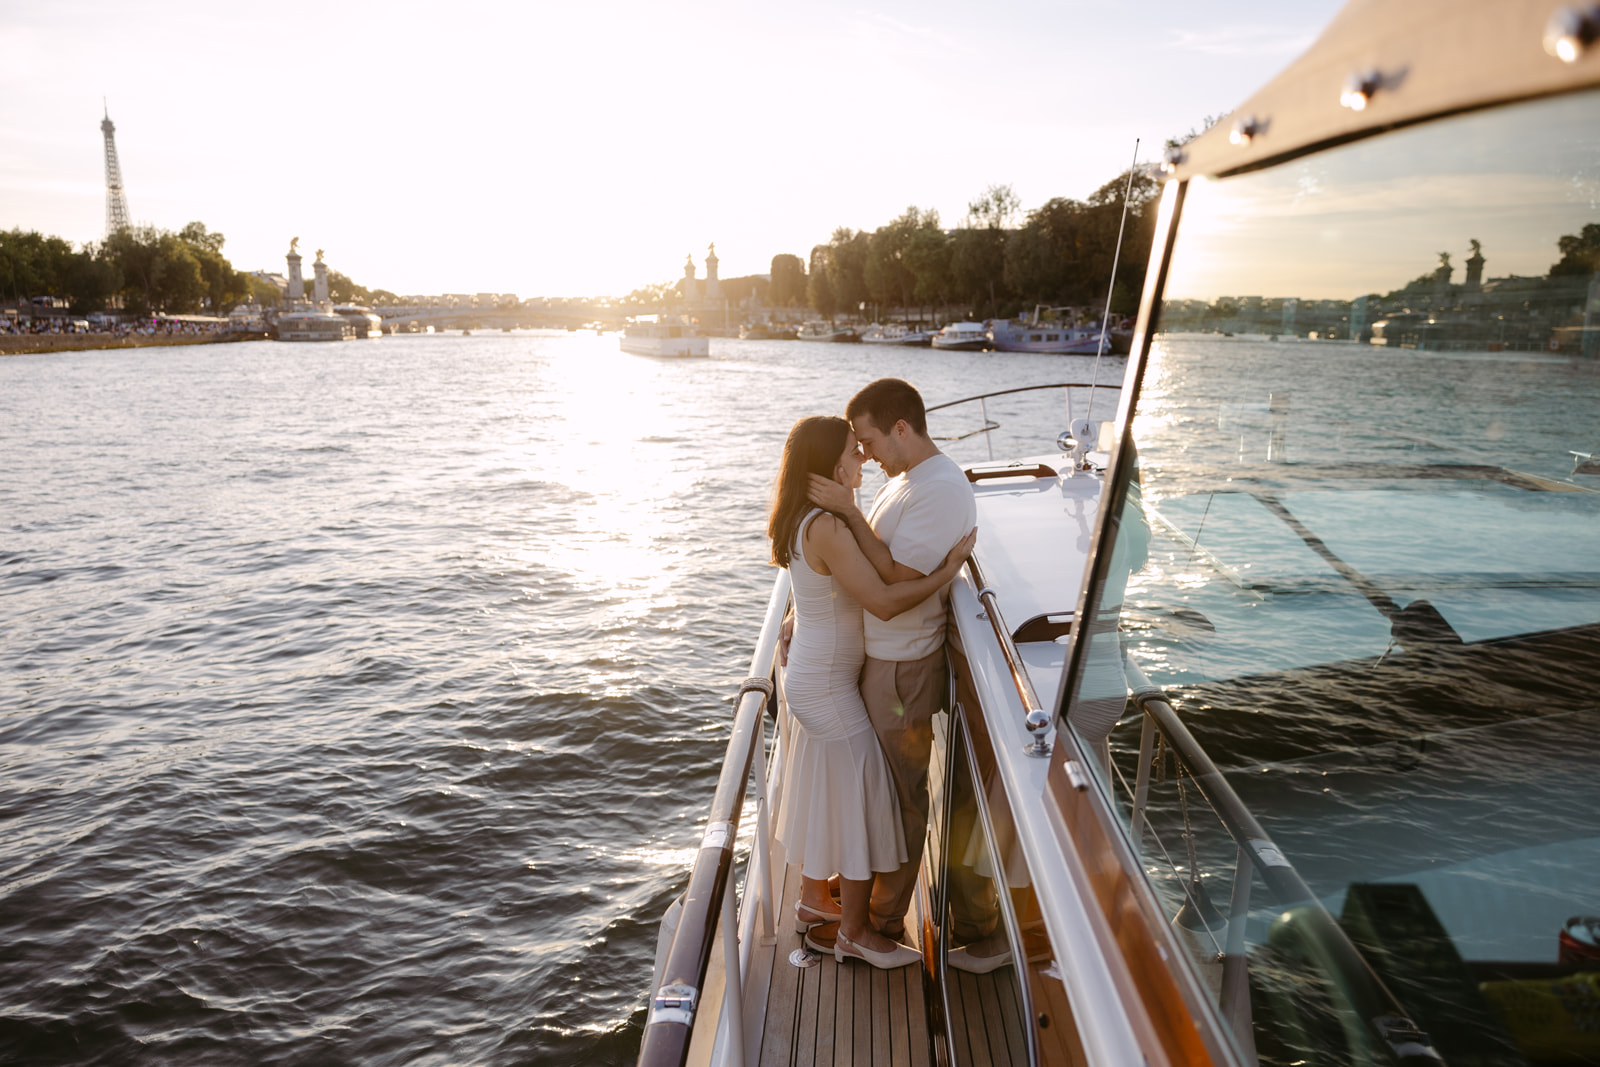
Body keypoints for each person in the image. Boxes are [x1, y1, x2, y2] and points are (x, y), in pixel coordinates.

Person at [770, 415, 975, 969]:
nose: (862, 458)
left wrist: (795, 615)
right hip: (826, 687)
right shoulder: (828, 527)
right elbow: (883, 602)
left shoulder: (811, 517)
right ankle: (855, 933)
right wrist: (948, 572)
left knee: (825, 784)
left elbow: (820, 590)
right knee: (865, 796)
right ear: (832, 466)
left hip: (815, 676)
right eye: (852, 452)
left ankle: (814, 901)